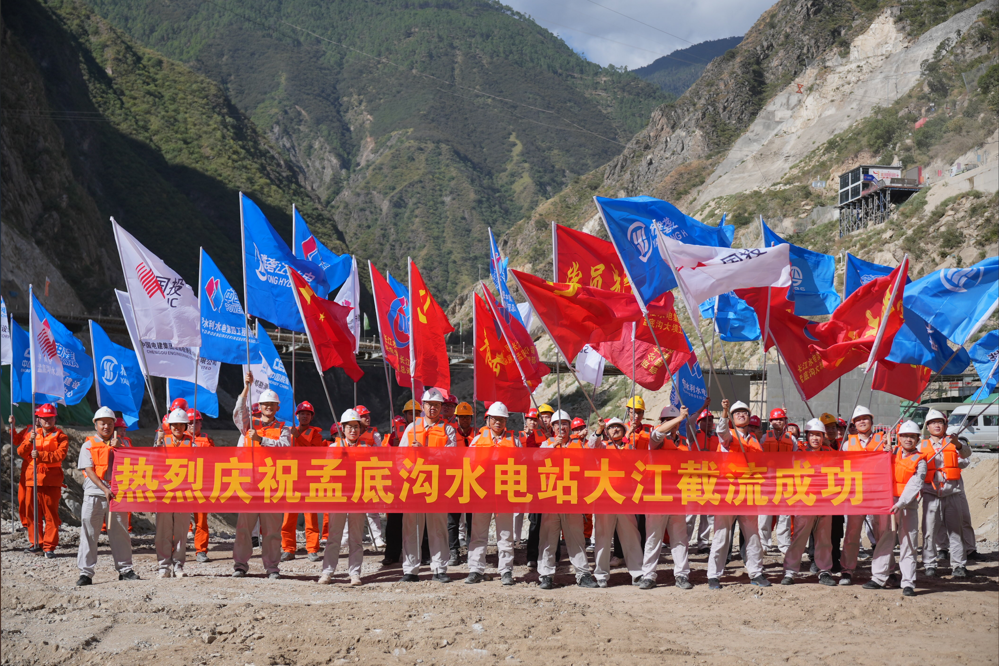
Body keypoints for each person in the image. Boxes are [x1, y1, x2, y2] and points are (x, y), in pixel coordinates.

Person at [232, 373, 292, 579]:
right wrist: (246, 388)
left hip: (272, 485)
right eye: (265, 404)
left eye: (272, 404)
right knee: (243, 528)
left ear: (277, 408)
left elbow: (284, 448)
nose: (268, 407)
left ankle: (272, 567)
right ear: (260, 406)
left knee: (272, 530)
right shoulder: (249, 426)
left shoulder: (284, 429)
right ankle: (240, 565)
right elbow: (239, 412)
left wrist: (261, 440)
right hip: (249, 483)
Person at [707, 399, 770, 589]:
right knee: (721, 535)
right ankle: (713, 575)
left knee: (752, 535)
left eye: (745, 412)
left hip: (749, 494)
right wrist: (724, 411)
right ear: (732, 418)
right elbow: (721, 431)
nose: (742, 415)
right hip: (728, 494)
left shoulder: (755, 441)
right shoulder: (729, 436)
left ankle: (756, 572)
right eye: (738, 413)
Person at [398, 388, 456, 583]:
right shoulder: (411, 428)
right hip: (414, 484)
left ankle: (440, 568)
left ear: (441, 407)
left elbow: (450, 457)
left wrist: (426, 452)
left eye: (437, 405)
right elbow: (400, 457)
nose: (433, 408)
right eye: (429, 405)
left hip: (436, 484)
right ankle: (410, 569)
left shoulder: (448, 429)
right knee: (412, 527)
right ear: (422, 406)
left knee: (438, 527)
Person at [76, 407, 139, 586]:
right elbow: (89, 470)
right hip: (95, 494)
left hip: (117, 495)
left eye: (110, 423)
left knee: (120, 532)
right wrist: (104, 488)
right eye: (102, 423)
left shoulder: (123, 444)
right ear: (96, 424)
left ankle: (125, 569)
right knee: (89, 533)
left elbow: (133, 464)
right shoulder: (88, 444)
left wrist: (120, 450)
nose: (106, 426)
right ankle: (86, 572)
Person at [536, 410, 599, 590]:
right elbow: (535, 459)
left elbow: (594, 448)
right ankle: (546, 575)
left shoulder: (579, 445)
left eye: (564, 424)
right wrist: (553, 446)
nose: (561, 427)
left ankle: (583, 573)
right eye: (557, 424)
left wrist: (599, 431)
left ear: (569, 427)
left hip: (572, 497)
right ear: (552, 427)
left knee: (576, 537)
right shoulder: (546, 444)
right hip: (551, 498)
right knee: (548, 539)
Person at [637, 406, 695, 590]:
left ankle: (682, 575)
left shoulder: (684, 443)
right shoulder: (656, 440)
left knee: (679, 538)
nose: (670, 424)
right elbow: (657, 432)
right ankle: (649, 575)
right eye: (667, 420)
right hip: (657, 497)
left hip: (678, 497)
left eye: (674, 420)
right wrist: (679, 418)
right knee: (654, 538)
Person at [582, 417, 644, 588]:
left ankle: (637, 572)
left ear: (624, 431)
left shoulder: (631, 447)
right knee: (602, 537)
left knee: (631, 536)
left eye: (618, 427)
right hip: (605, 499)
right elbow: (592, 445)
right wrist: (599, 430)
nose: (615, 430)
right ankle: (601, 574)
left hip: (625, 500)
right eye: (612, 428)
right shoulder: (602, 447)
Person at [868, 421, 926, 596]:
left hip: (907, 505)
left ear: (917, 439)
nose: (908, 439)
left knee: (908, 542)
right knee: (885, 539)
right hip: (888, 501)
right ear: (899, 438)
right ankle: (878, 577)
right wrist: (884, 452)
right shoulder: (891, 453)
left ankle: (908, 582)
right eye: (905, 436)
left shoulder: (920, 460)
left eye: (912, 436)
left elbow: (915, 484)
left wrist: (900, 503)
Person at [465, 402, 521, 585]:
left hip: (504, 493)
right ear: (488, 419)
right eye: (495, 419)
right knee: (478, 534)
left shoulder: (514, 440)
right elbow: (467, 463)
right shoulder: (478, 440)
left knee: (505, 534)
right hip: (482, 493)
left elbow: (523, 464)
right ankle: (475, 569)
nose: (498, 422)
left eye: (502, 419)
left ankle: (506, 570)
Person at [838, 405, 890, 586]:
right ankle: (847, 570)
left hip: (877, 493)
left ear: (871, 421)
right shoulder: (847, 445)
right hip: (856, 494)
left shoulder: (883, 441)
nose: (862, 421)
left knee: (881, 533)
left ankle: (885, 570)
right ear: (853, 423)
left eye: (865, 418)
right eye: (858, 419)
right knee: (852, 533)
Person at [781, 419, 837, 586]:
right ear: (807, 436)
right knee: (799, 537)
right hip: (804, 501)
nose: (815, 438)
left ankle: (824, 571)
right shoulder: (798, 453)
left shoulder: (830, 453)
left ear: (823, 437)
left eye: (818, 435)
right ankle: (790, 571)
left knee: (824, 538)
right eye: (812, 435)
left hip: (825, 502)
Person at [318, 409, 369, 586]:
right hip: (338, 496)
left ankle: (355, 573)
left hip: (358, 497)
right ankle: (327, 572)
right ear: (343, 428)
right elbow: (326, 472)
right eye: (349, 427)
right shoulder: (334, 448)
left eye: (356, 427)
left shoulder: (366, 449)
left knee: (356, 538)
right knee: (334, 537)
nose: (353, 430)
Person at [920, 409, 972, 578]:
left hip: (951, 492)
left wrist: (958, 444)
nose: (937, 425)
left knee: (956, 531)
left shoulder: (953, 443)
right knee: (929, 531)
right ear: (927, 426)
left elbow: (966, 457)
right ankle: (929, 564)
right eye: (933, 422)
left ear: (945, 425)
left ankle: (959, 565)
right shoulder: (921, 446)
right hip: (930, 493)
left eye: (940, 422)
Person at [14, 403, 68, 557]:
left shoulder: (61, 436)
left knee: (51, 515)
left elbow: (59, 455)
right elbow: (20, 452)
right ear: (39, 418)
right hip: (32, 479)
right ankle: (36, 543)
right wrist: (29, 441)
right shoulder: (33, 433)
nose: (47, 421)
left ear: (54, 418)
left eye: (50, 418)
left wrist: (41, 456)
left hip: (51, 480)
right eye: (44, 418)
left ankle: (49, 546)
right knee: (32, 514)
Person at [282, 401, 328, 563]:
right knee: (289, 517)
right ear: (297, 415)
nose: (305, 416)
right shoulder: (288, 432)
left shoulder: (316, 434)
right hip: (291, 477)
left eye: (308, 414)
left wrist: (298, 437)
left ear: (311, 416)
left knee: (310, 516)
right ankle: (288, 548)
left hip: (308, 478)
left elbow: (313, 450)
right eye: (302, 413)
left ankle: (312, 549)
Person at [154, 408, 194, 578]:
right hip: (164, 492)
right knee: (163, 530)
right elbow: (151, 463)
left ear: (185, 426)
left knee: (180, 531)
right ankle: (164, 565)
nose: (177, 427)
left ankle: (178, 564)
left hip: (183, 493)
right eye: (174, 424)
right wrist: (157, 446)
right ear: (169, 425)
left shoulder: (192, 444)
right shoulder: (162, 441)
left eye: (180, 424)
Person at [759, 408, 798, 556]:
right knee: (765, 515)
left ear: (785, 422)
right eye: (775, 419)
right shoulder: (764, 438)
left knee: (785, 515)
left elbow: (796, 459)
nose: (778, 422)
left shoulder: (792, 439)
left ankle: (784, 545)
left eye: (781, 419)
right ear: (770, 422)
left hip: (785, 481)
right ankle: (764, 544)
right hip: (767, 481)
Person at [179, 409, 214, 563]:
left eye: (196, 422)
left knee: (201, 520)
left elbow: (215, 461)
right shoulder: (180, 440)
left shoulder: (208, 441)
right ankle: (176, 549)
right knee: (179, 519)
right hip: (183, 484)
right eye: (190, 423)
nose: (193, 425)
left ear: (201, 423)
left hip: (201, 484)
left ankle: (201, 550)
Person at [351, 405, 387, 550]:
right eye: (364, 416)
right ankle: (348, 538)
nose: (367, 418)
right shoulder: (351, 434)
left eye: (368, 415)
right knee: (351, 509)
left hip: (370, 473)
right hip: (353, 475)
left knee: (372, 509)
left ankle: (377, 538)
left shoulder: (374, 434)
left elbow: (380, 453)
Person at [525, 403, 556, 568]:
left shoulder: (558, 433)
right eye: (542, 416)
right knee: (535, 520)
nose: (545, 419)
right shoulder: (534, 436)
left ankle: (555, 555)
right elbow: (532, 456)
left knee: (554, 520)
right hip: (537, 482)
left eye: (548, 416)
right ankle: (532, 555)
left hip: (555, 482)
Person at [448, 401, 477, 564]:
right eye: (462, 417)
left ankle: (473, 551)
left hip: (473, 480)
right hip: (455, 479)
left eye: (467, 417)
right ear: (456, 418)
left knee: (472, 518)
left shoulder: (478, 435)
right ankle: (454, 551)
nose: (465, 420)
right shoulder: (451, 435)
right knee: (452, 519)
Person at [686, 407, 717, 553]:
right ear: (699, 422)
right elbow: (688, 422)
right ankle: (684, 543)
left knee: (707, 513)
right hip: (694, 479)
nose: (709, 422)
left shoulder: (717, 437)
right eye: (705, 420)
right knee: (690, 514)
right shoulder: (693, 435)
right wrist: (701, 409)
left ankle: (703, 543)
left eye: (711, 420)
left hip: (711, 480)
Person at [381, 416, 407, 565]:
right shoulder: (390, 439)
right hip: (395, 483)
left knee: (415, 521)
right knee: (394, 521)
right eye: (409, 413)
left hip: (413, 479)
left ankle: (420, 554)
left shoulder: (416, 432)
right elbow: (382, 458)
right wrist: (393, 447)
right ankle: (391, 554)